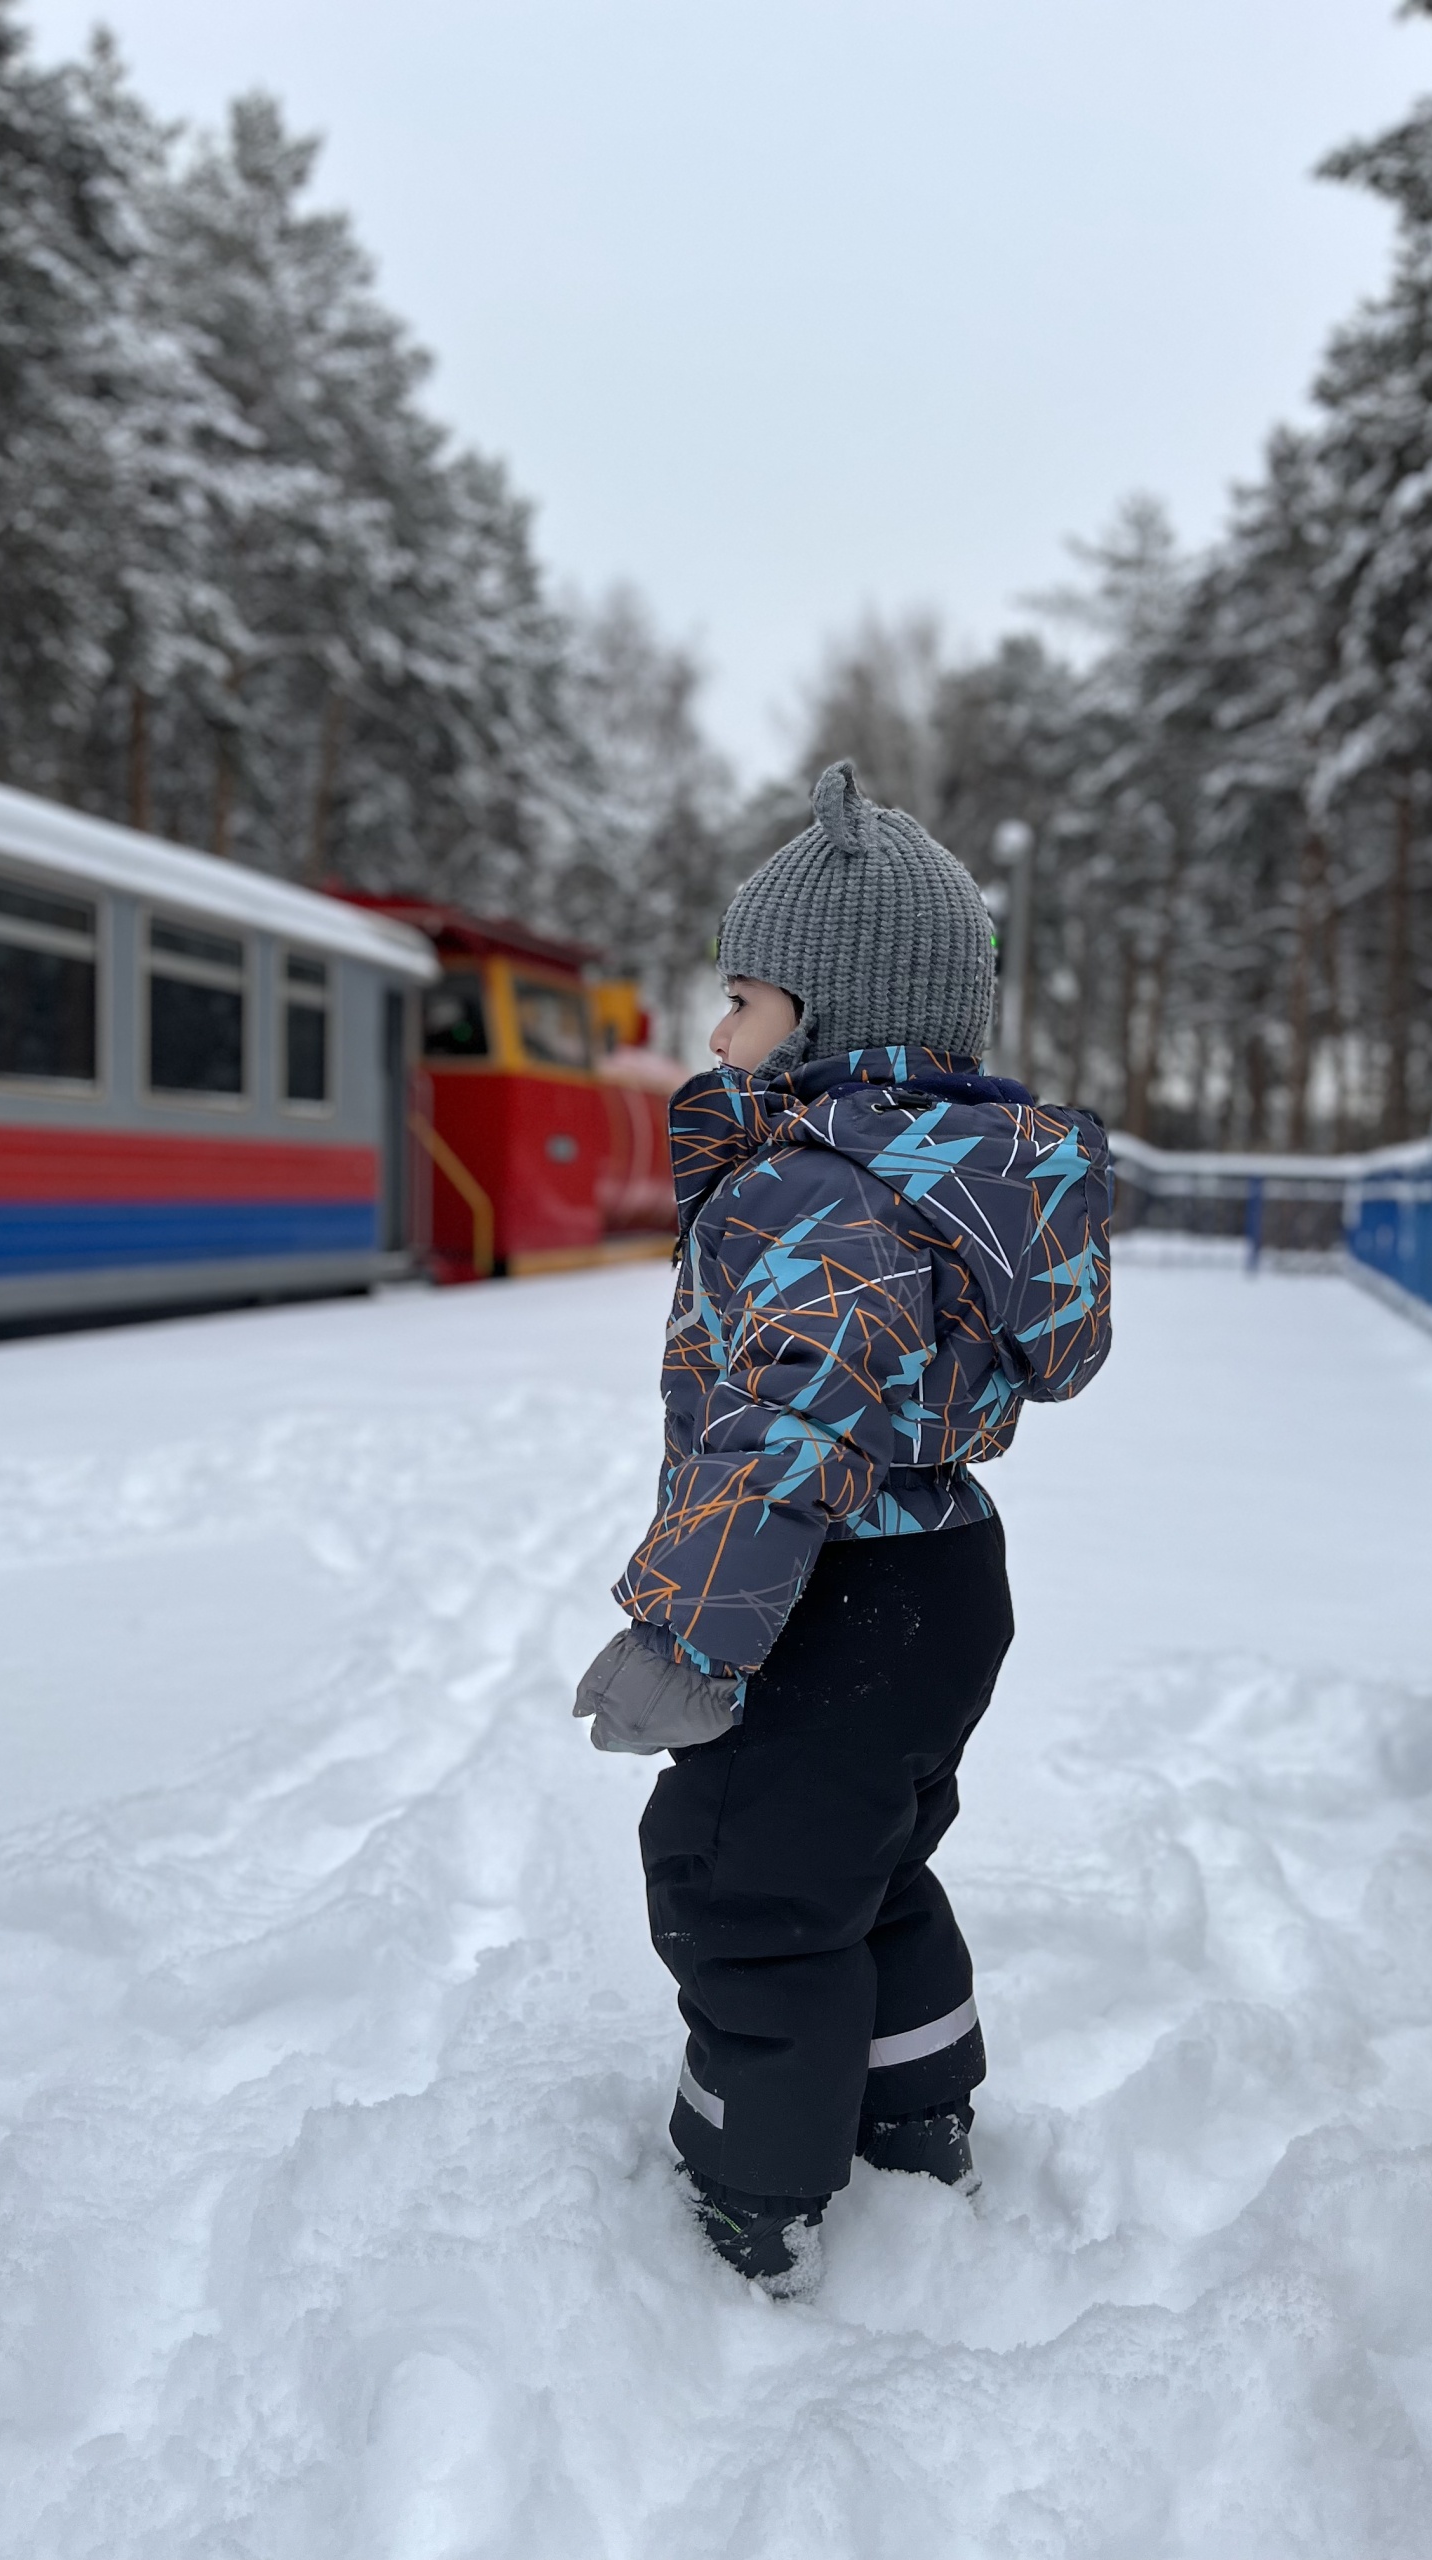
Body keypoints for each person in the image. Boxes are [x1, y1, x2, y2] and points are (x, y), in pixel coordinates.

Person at [574, 759, 1112, 2293]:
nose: (717, 1031)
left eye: (743, 1001)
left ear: (826, 1016)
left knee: (743, 1887)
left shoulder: (810, 1190)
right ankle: (917, 2108)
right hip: (940, 1579)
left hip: (828, 1589)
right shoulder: (937, 1179)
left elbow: (789, 1429)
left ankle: (757, 2188)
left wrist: (687, 1631)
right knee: (871, 1866)